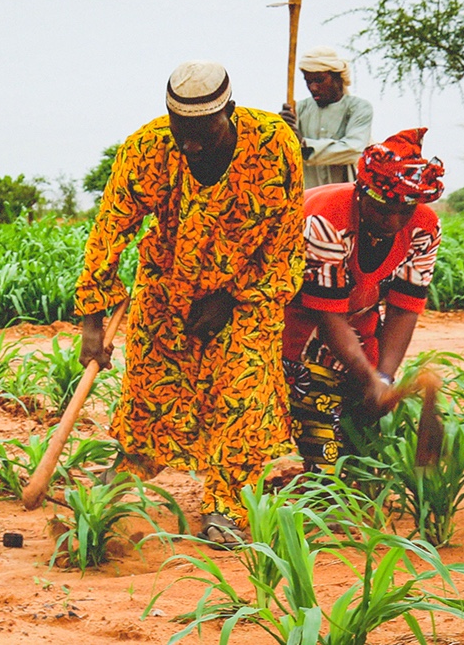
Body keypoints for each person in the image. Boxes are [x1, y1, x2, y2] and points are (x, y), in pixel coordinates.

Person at [76, 61, 304, 546]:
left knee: (240, 394)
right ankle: (131, 468)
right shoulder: (147, 148)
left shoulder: (274, 145)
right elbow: (110, 230)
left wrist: (232, 296)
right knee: (151, 383)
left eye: (204, 133)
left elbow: (284, 243)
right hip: (169, 281)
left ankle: (226, 507)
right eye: (182, 132)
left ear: (231, 113)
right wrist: (92, 321)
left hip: (249, 288)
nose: (191, 145)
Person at [282, 128, 444, 473]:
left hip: (358, 324)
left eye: (405, 211)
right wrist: (367, 377)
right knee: (318, 419)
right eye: (383, 208)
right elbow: (327, 315)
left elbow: (404, 306)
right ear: (361, 191)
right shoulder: (327, 220)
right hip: (296, 322)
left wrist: (383, 377)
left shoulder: (424, 228)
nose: (393, 221)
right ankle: (316, 485)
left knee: (359, 432)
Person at [279, 46, 373, 187]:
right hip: (307, 196)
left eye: (319, 80)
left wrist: (304, 145)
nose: (313, 88)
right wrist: (281, 128)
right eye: (308, 82)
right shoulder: (299, 109)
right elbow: (283, 154)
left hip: (344, 194)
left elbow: (354, 149)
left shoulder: (358, 108)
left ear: (337, 78)